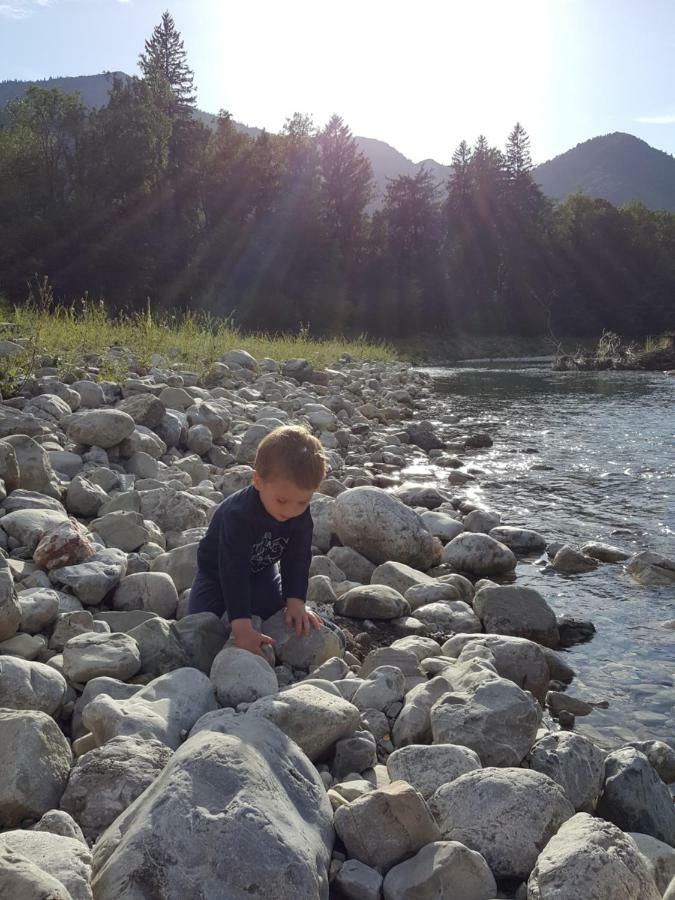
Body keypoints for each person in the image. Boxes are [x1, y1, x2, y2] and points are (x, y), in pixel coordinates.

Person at [189, 425, 327, 657]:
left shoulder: (298, 513)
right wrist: (241, 626)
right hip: (217, 571)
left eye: (302, 502)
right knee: (202, 625)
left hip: (262, 569)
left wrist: (296, 600)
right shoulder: (239, 515)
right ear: (258, 481)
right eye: (282, 501)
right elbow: (233, 569)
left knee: (275, 611)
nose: (292, 511)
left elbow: (298, 557)